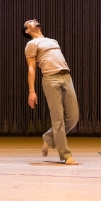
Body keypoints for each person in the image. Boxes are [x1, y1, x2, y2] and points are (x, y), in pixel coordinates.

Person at [23, 20, 78, 165]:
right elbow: (31, 68)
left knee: (73, 117)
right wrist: (32, 91)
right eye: (29, 22)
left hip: (66, 76)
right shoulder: (31, 44)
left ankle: (48, 137)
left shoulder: (53, 40)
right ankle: (66, 155)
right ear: (27, 31)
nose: (33, 21)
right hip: (50, 79)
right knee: (58, 119)